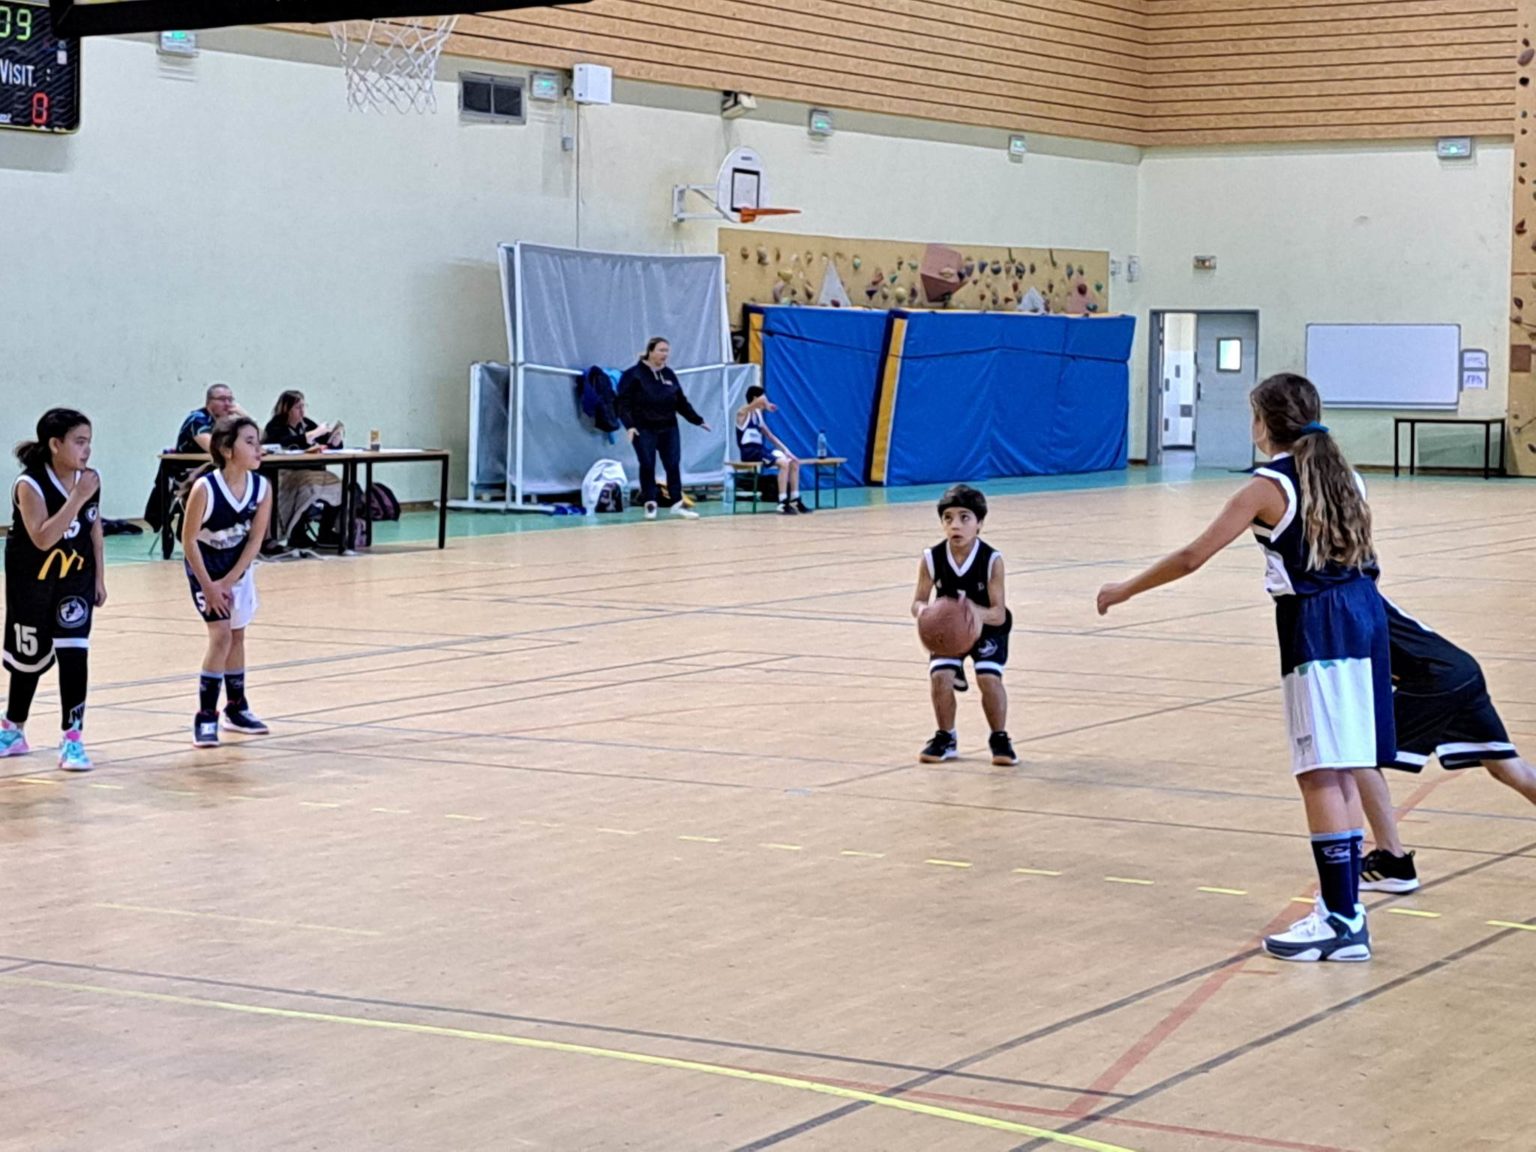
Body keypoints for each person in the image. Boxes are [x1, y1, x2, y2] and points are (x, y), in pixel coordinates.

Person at [1097, 373, 1391, 963]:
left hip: (1318, 624)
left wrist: (1123, 589)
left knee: (1319, 771)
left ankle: (1341, 919)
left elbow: (1192, 556)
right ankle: (1345, 911)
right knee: (1343, 765)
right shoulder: (1348, 476)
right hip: (1365, 618)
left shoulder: (1267, 486)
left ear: (1263, 424)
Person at [1354, 598, 1536, 892]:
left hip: (1434, 678)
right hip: (1461, 669)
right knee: (1508, 767)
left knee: (1359, 755)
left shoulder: (1335, 598)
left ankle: (1392, 861)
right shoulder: (1356, 586)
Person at [0, 409, 105, 771]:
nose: (87, 450)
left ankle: (72, 738)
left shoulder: (90, 480)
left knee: (74, 654)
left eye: (89, 442)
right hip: (31, 583)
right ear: (55, 444)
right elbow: (43, 538)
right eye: (79, 442)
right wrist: (76, 498)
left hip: (75, 579)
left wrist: (99, 578)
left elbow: (94, 530)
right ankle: (13, 728)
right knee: (26, 662)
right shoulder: (29, 485)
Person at [180, 416, 273, 749]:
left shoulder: (261, 487)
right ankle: (206, 716)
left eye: (258, 441)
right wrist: (209, 586)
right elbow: (189, 540)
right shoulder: (206, 488)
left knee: (237, 635)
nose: (258, 448)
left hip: (237, 569)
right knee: (220, 636)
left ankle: (236, 707)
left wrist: (230, 581)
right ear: (226, 449)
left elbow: (255, 540)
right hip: (205, 568)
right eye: (249, 442)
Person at [910, 484, 1017, 768]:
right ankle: (946, 737)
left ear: (979, 523)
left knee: (988, 678)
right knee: (940, 677)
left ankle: (999, 738)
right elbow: (917, 601)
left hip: (988, 628)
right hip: (947, 630)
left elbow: (998, 613)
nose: (955, 525)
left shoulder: (991, 560)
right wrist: (926, 612)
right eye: (948, 518)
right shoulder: (931, 558)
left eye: (964, 518)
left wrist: (971, 613)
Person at [616, 337, 709, 520]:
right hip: (643, 428)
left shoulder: (669, 375)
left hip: (669, 427)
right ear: (650, 351)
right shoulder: (633, 375)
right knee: (647, 464)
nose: (665, 354)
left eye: (667, 351)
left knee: (673, 464)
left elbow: (680, 401)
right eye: (661, 350)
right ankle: (650, 503)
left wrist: (697, 420)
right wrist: (630, 425)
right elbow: (622, 403)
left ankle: (677, 504)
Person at [262, 390, 344, 548]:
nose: (302, 411)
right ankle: (296, 533)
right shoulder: (275, 425)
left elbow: (326, 442)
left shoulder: (306, 424)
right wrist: (312, 435)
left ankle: (325, 532)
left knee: (339, 486)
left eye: (303, 406)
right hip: (285, 473)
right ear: (286, 409)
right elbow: (283, 442)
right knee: (306, 487)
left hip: (309, 472)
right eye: (298, 407)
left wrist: (335, 440)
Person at [735, 385, 811, 515]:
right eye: (764, 398)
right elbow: (756, 403)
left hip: (760, 450)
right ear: (755, 398)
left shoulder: (758, 415)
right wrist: (766, 404)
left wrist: (787, 451)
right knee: (783, 464)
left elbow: (770, 436)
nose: (766, 400)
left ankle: (795, 499)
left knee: (793, 462)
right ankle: (782, 503)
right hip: (749, 452)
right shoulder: (742, 413)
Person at [177, 382, 244, 453]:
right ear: (208, 402)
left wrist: (244, 416)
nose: (227, 404)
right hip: (188, 460)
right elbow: (217, 451)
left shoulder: (228, 421)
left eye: (230, 399)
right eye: (222, 399)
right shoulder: (197, 419)